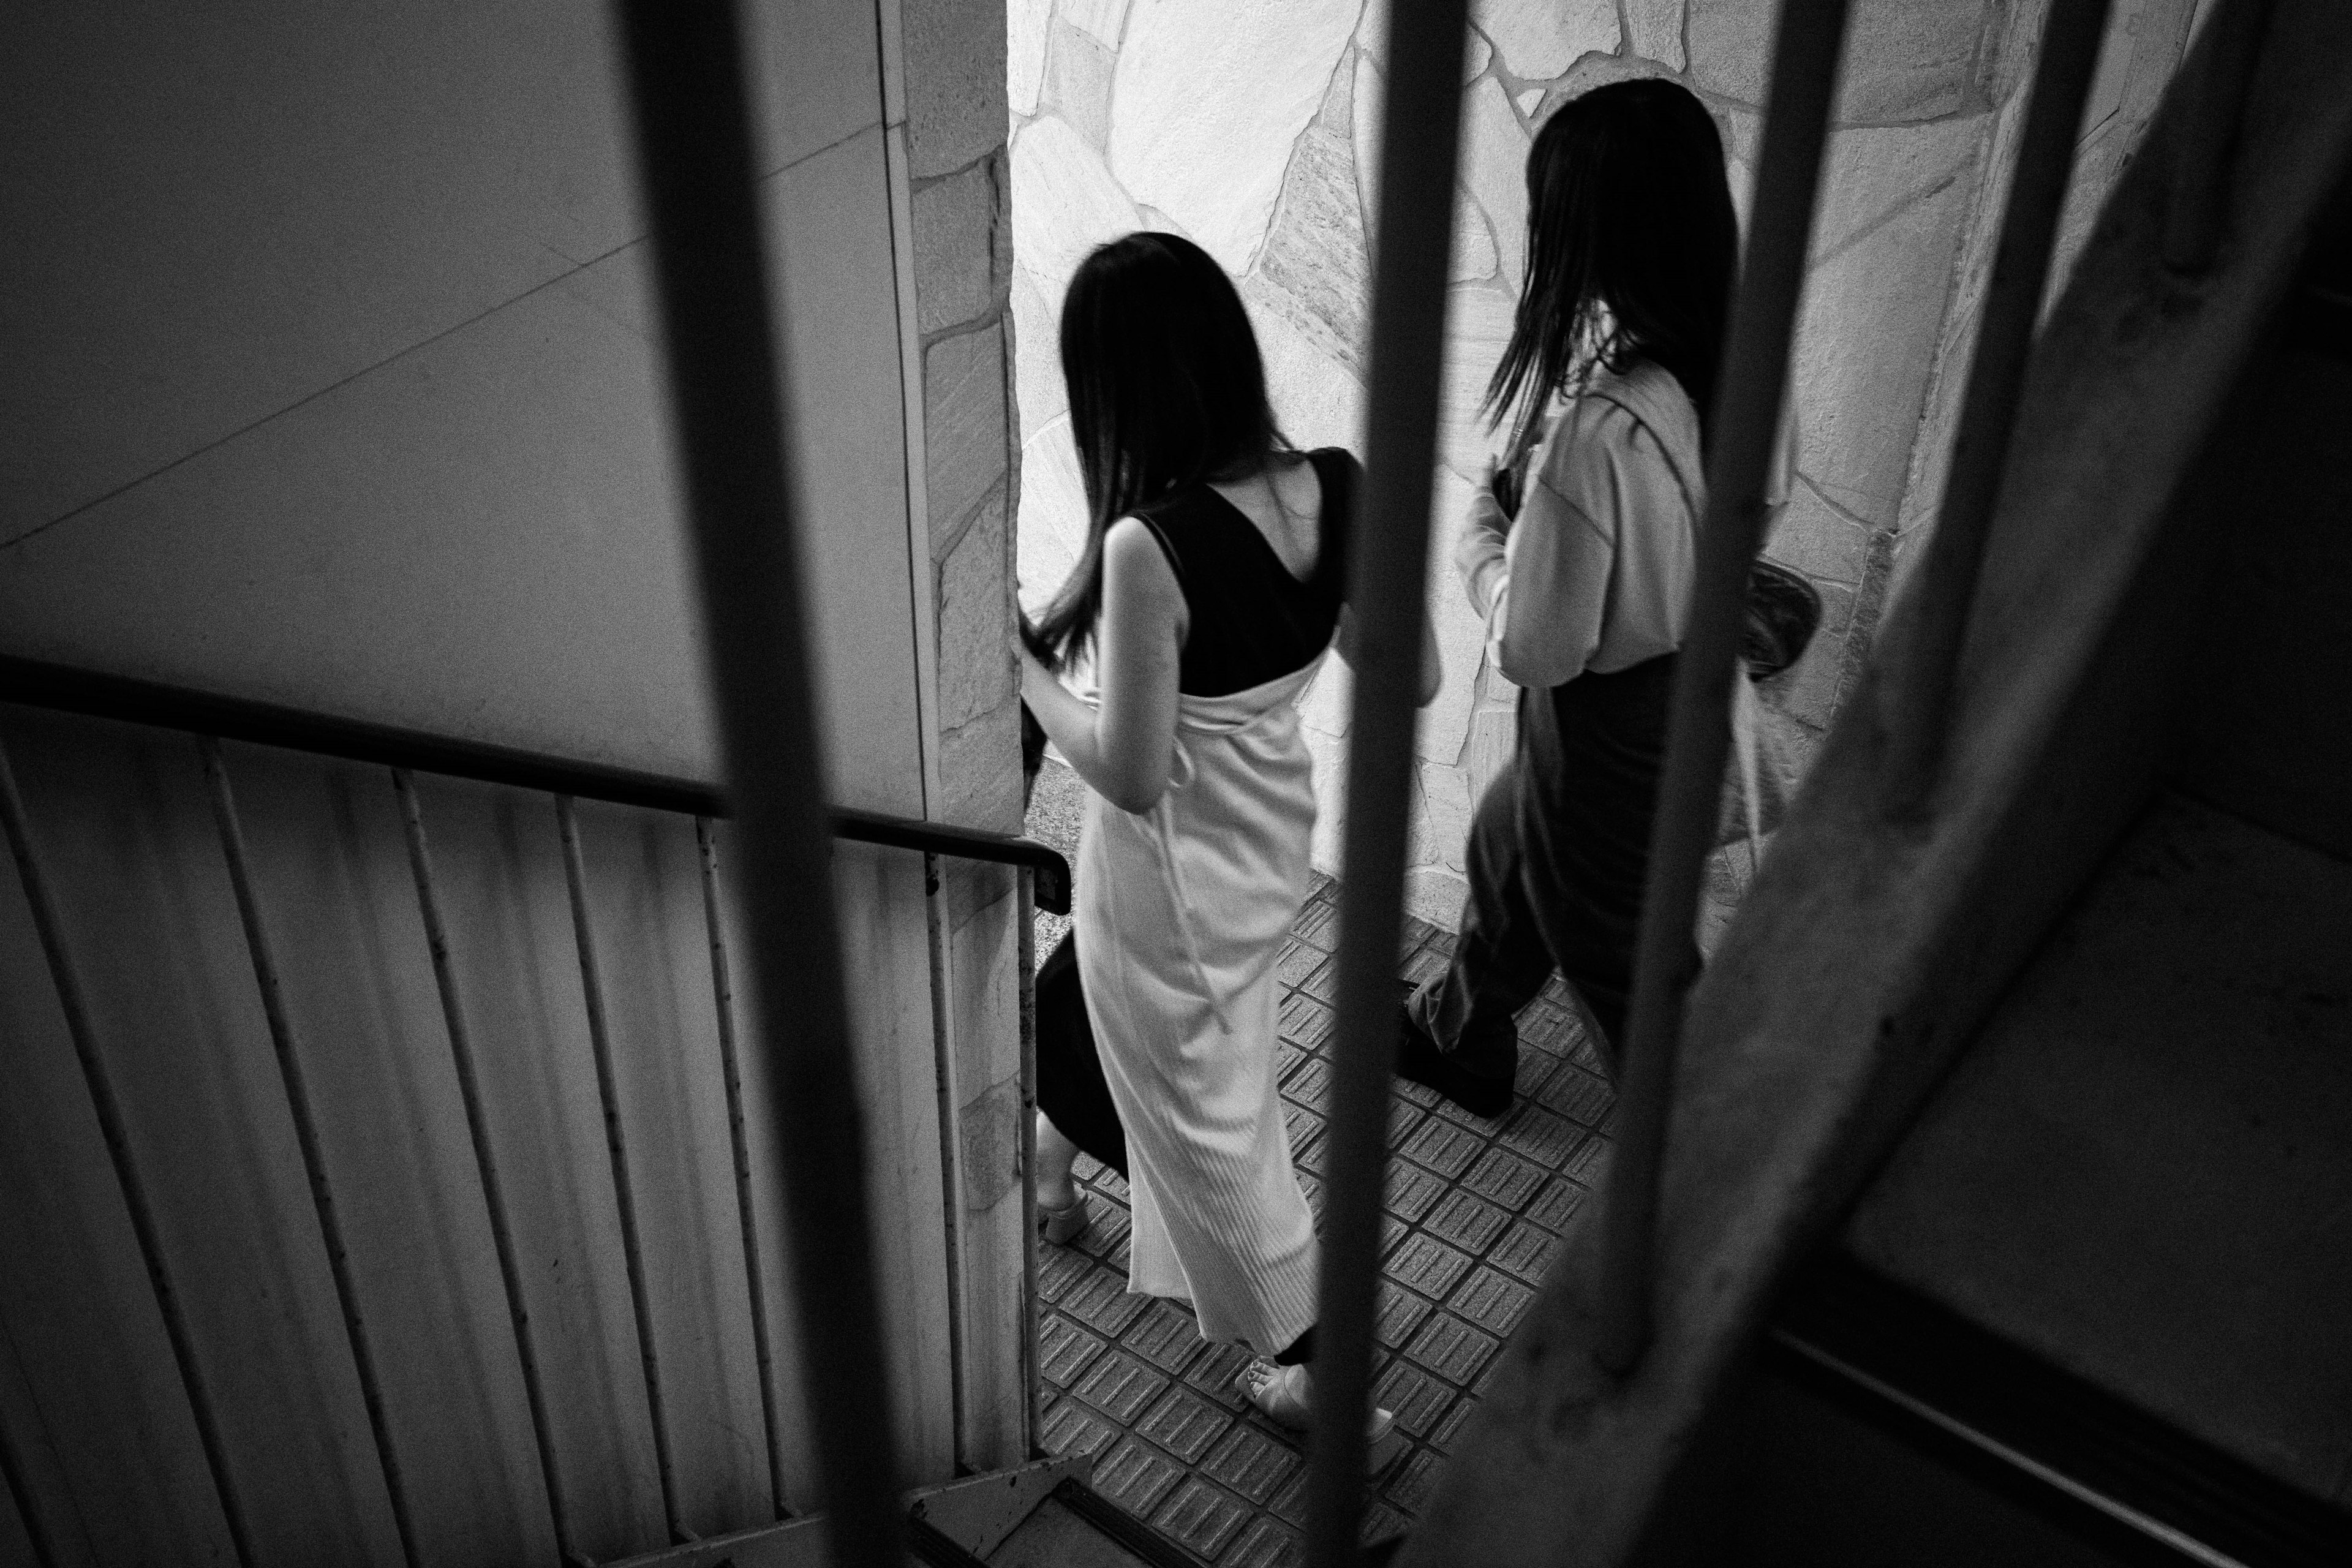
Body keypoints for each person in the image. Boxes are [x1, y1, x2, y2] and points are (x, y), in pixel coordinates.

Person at [1018, 232, 1438, 1434]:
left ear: (1122, 388)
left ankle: (1321, 1372)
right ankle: (1053, 1176)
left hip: (1171, 874)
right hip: (1265, 836)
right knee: (1079, 1015)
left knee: (1218, 1129)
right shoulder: (1338, 483)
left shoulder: (1149, 544)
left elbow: (1133, 773)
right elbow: (1405, 672)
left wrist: (1030, 676)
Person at [1398, 78, 1754, 1118]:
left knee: (1636, 988)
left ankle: (1704, 1189)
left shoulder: (1602, 431)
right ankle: (1457, 1030)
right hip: (1686, 692)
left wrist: (1485, 535)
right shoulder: (1738, 362)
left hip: (1605, 729)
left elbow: (1539, 650)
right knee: (1509, 843)